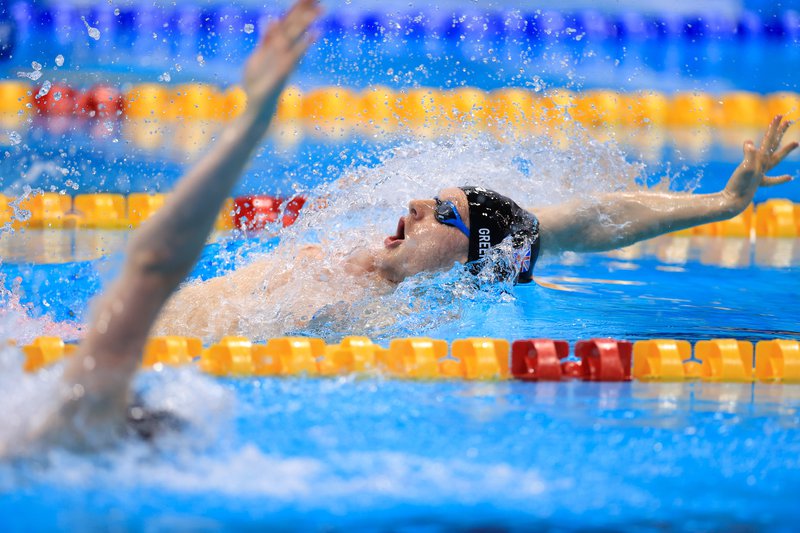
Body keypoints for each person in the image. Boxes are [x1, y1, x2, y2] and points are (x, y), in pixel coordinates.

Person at [26, 0, 798, 449]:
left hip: (92, 371)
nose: (420, 205)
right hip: (68, 344)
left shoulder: (378, 310)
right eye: (433, 197)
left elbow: (571, 227)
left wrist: (723, 208)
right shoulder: (379, 264)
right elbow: (586, 219)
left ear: (470, 259)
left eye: (446, 213)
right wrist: (721, 205)